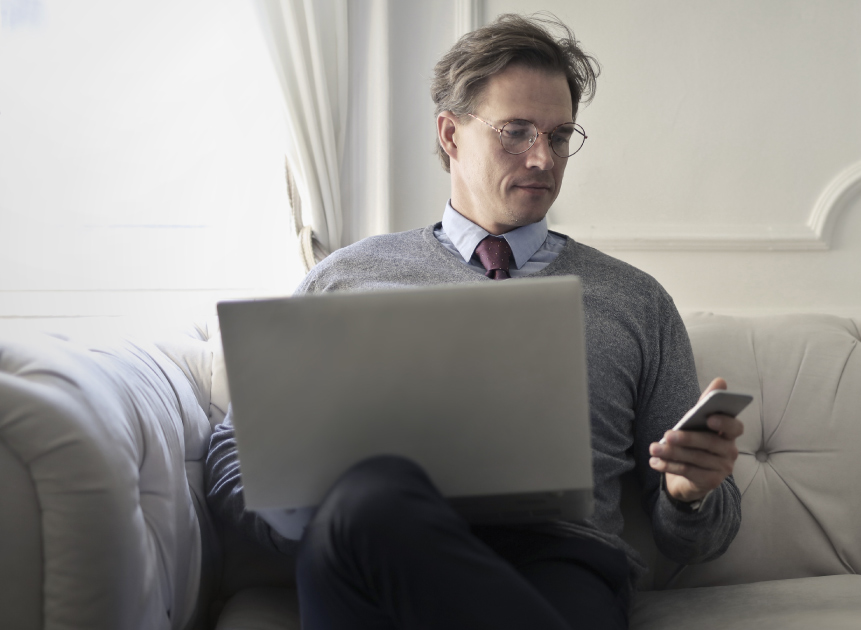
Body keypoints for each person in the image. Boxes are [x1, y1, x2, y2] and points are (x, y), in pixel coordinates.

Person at [206, 13, 743, 630]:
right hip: (374, 548)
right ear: (451, 134)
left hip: (562, 563)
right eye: (515, 131)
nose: (543, 157)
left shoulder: (636, 300)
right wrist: (302, 504)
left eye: (560, 135)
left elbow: (700, 538)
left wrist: (689, 493)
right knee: (369, 496)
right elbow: (232, 452)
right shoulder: (345, 278)